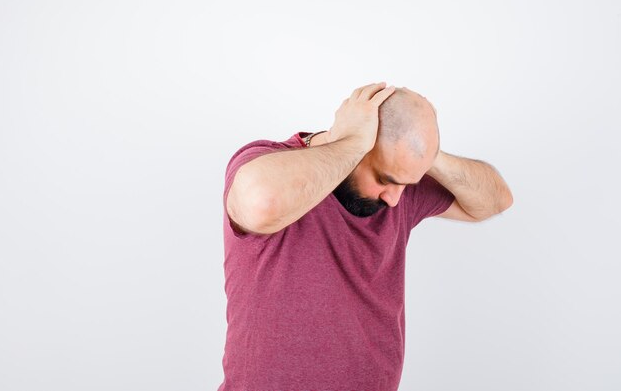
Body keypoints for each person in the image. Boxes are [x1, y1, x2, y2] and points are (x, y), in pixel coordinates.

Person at [217, 82, 513, 391]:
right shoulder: (269, 163)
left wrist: (427, 153)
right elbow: (260, 203)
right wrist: (354, 140)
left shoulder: (398, 186)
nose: (395, 199)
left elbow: (495, 200)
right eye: (385, 179)